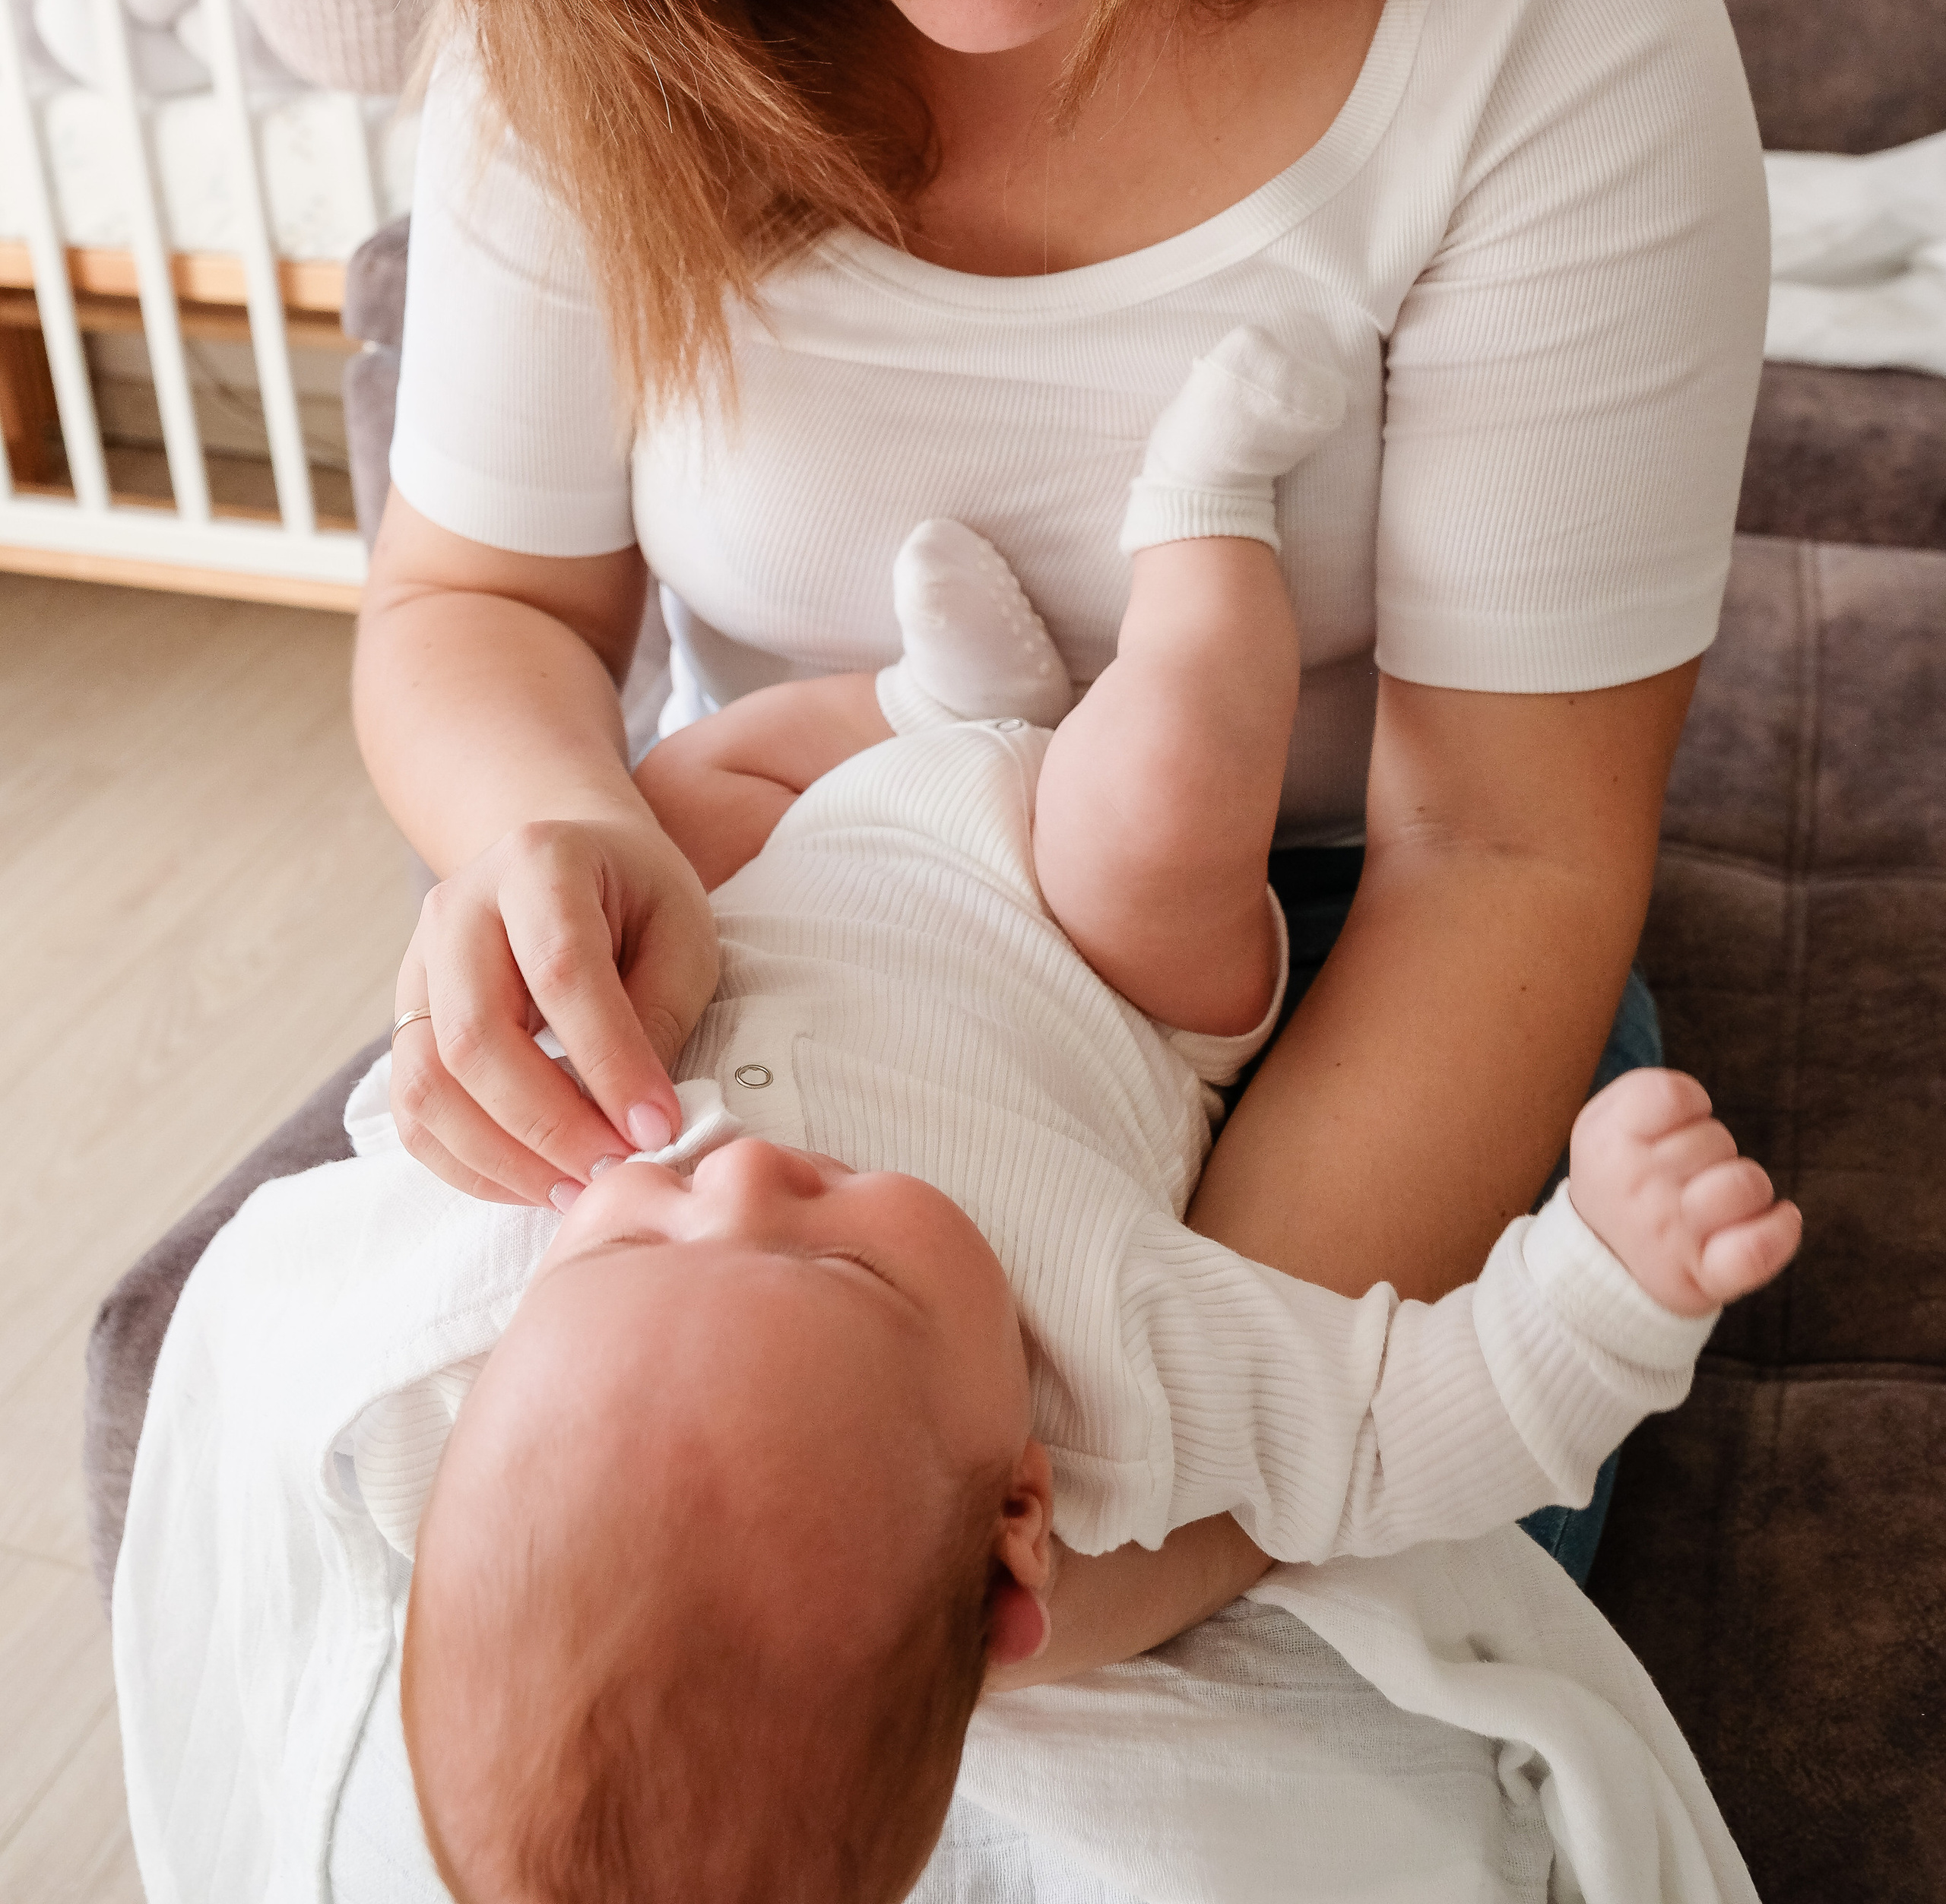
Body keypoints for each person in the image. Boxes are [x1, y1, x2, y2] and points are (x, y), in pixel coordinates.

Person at [356, 0, 1768, 1662]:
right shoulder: (599, 0)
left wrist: (1152, 1494)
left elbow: (1509, 853)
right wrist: (560, 836)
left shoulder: (1542, 16)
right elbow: (474, 620)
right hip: (803, 965)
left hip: (1356, 966)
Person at [113, 354, 1792, 1902]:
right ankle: (1202, 508)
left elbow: (367, 1298)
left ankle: (931, 704)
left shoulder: (533, 1330)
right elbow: (1404, 1425)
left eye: (629, 1238)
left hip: (803, 846)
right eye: (842, 1271)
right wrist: (1609, 1295)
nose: (733, 1176)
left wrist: (542, 910)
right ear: (1017, 1522)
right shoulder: (1132, 1386)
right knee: (1149, 806)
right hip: (1080, 935)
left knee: (673, 795)